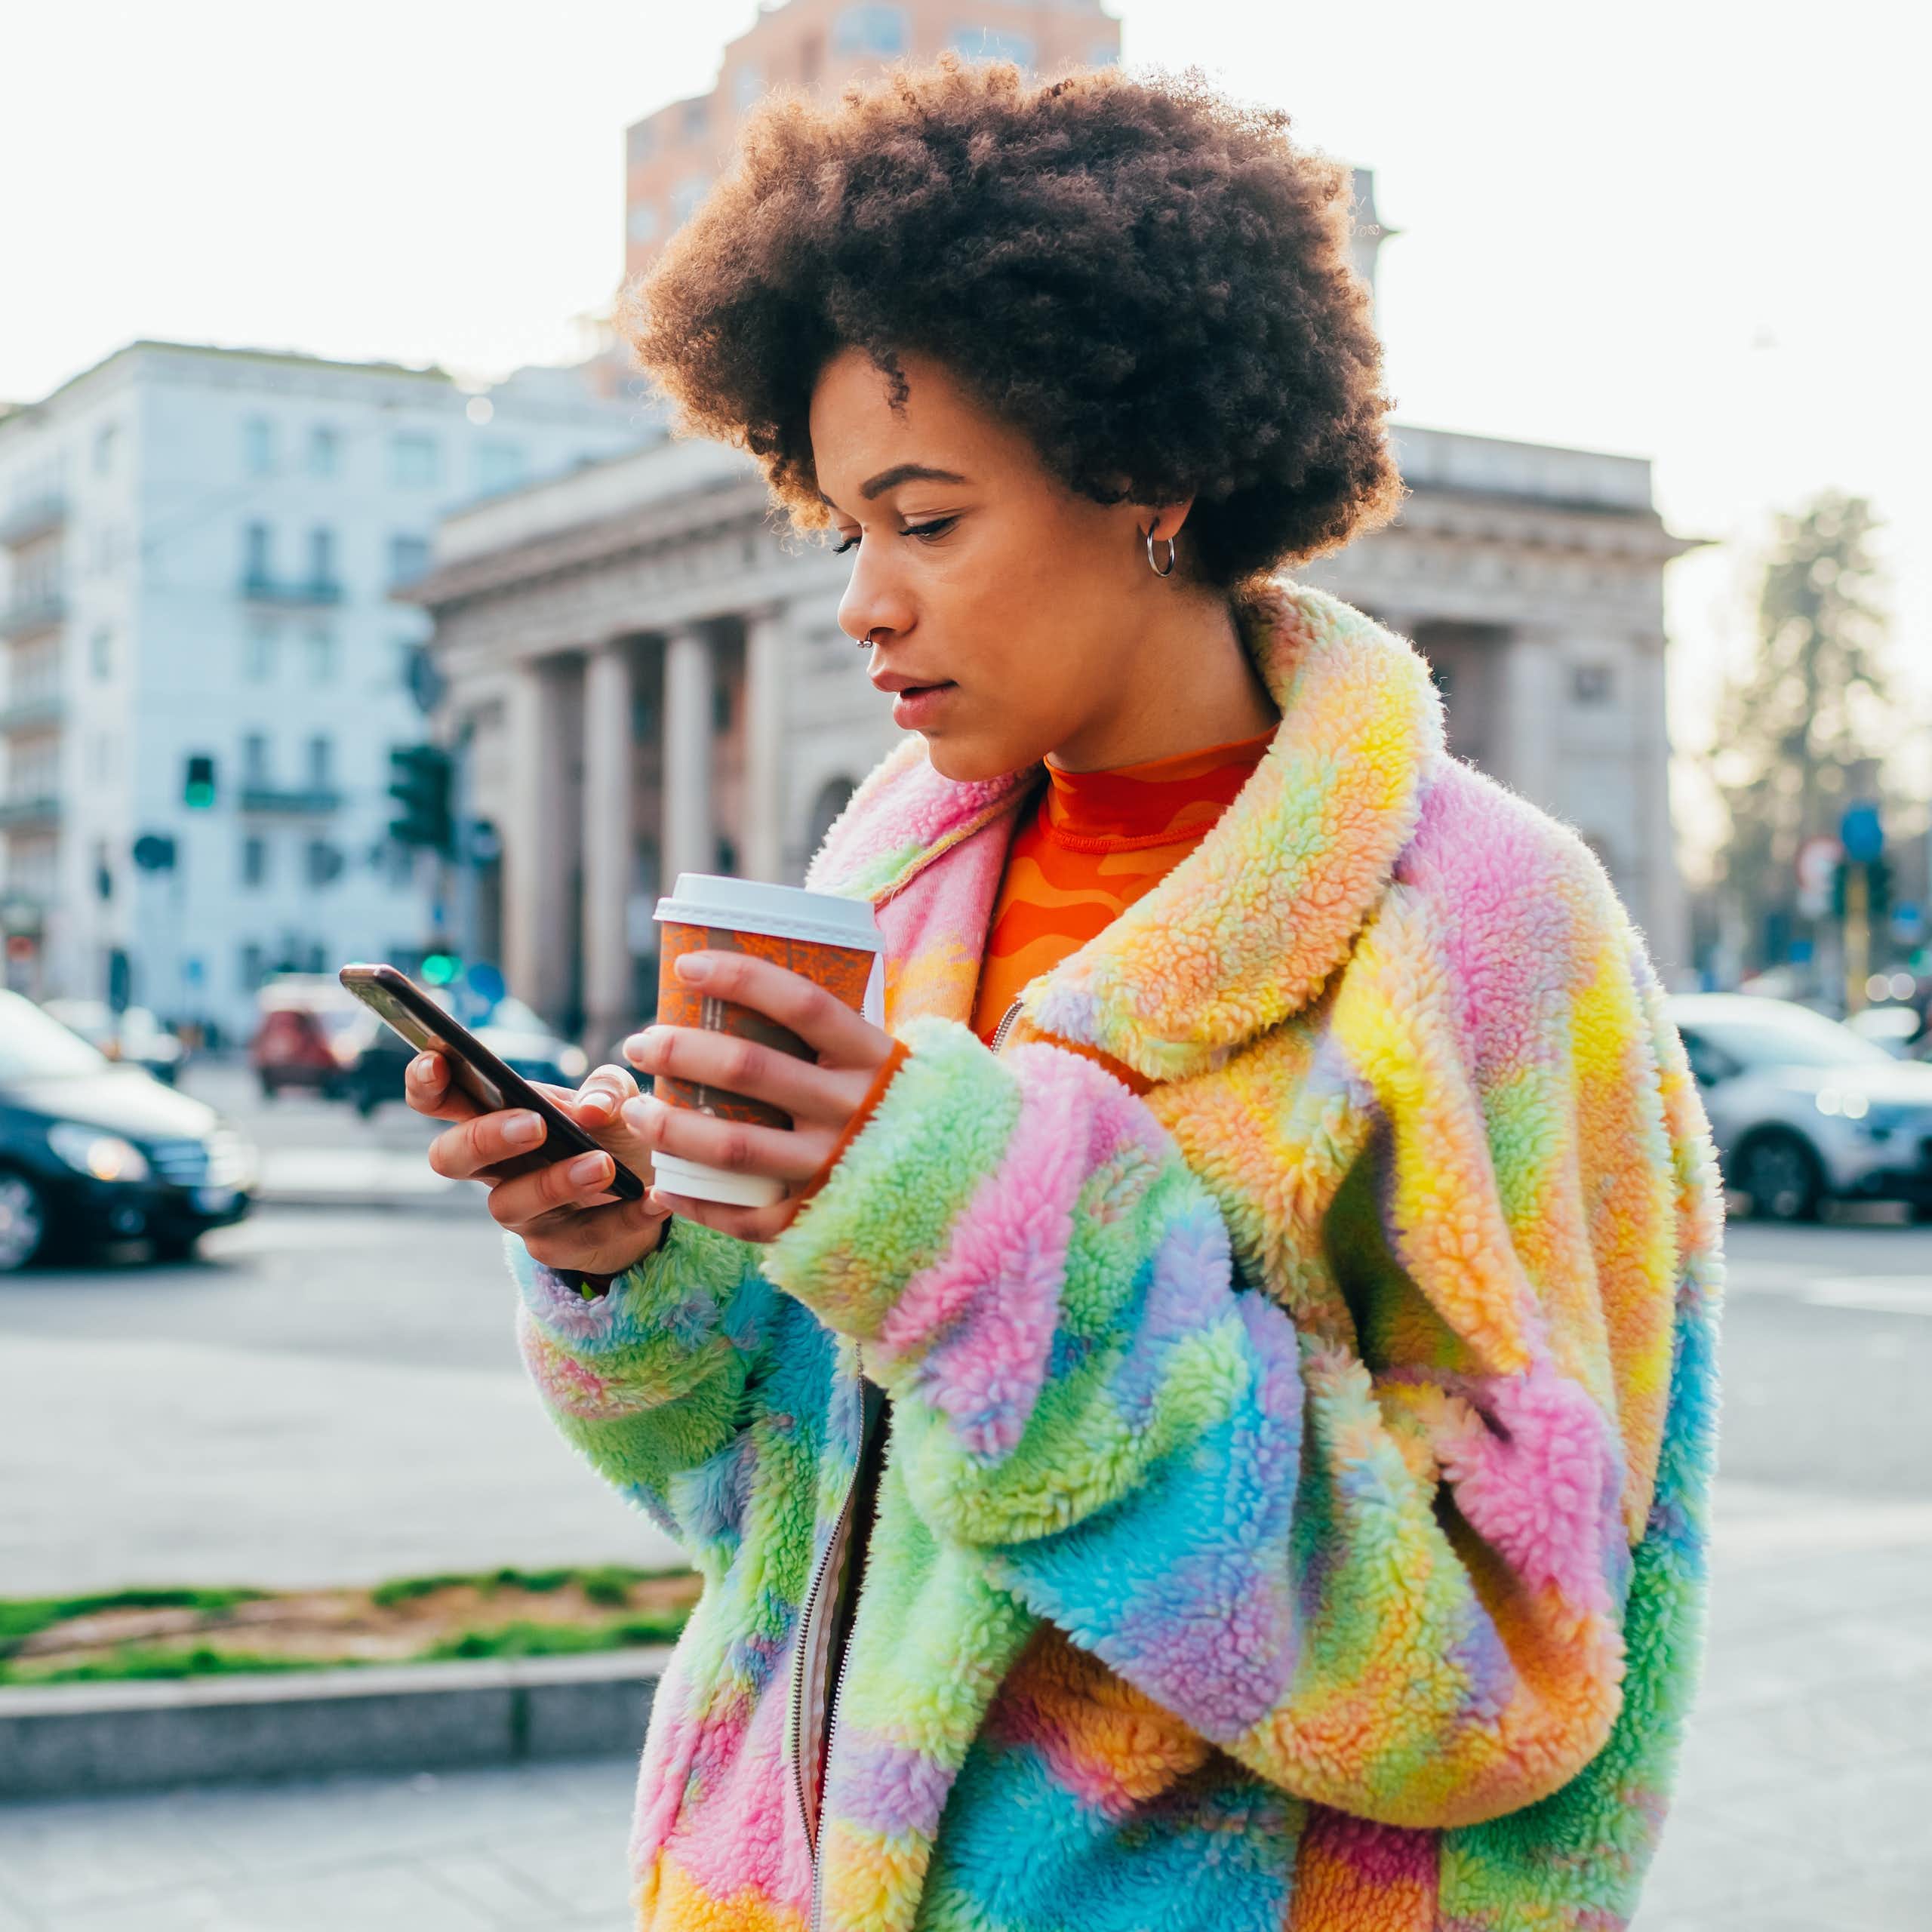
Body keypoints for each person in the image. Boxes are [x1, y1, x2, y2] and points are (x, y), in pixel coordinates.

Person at [408, 57, 1725, 1932]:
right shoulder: (882, 876)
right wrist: (637, 1263)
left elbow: (1492, 1673)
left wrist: (962, 1221)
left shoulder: (1486, 932)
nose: (861, 601)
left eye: (927, 520)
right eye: (841, 526)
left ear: (1152, 484)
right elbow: (791, 1511)